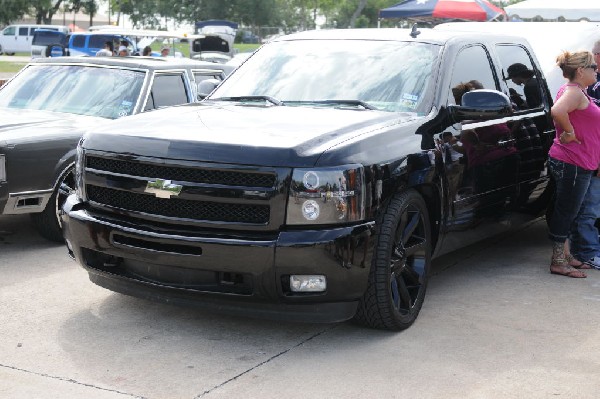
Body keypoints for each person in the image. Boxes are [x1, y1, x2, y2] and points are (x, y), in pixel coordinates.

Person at [547, 50, 600, 278]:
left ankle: (566, 255)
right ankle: (559, 260)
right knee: (567, 212)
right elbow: (557, 111)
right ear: (581, 71)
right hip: (572, 161)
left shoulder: (577, 91)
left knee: (569, 209)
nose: (596, 71)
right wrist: (568, 132)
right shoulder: (573, 92)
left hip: (576, 161)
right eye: (593, 68)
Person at [568, 40, 600, 270]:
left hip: (589, 156)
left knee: (587, 208)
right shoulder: (582, 89)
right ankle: (587, 252)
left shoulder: (587, 87)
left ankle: (585, 251)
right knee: (588, 209)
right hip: (588, 157)